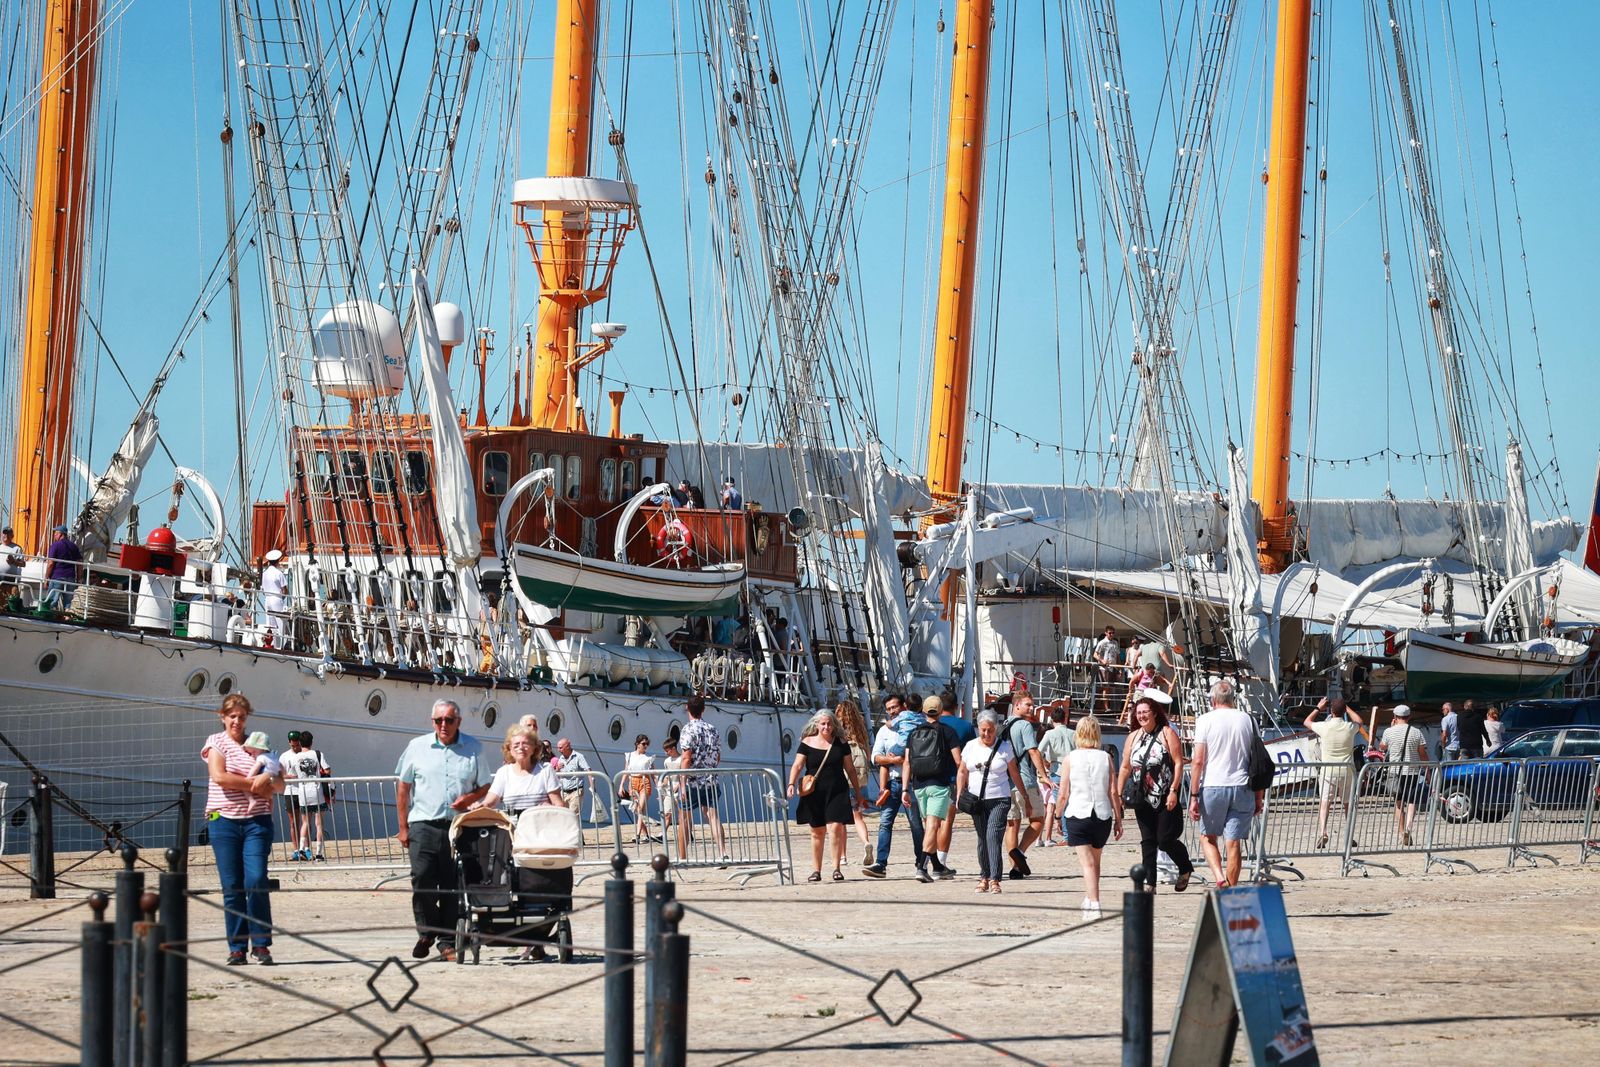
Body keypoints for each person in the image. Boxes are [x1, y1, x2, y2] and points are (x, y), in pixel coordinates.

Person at [396, 699, 492, 961]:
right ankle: (427, 931)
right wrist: (402, 827)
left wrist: (468, 798)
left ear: (458, 721)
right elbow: (403, 787)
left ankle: (446, 942)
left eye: (449, 720)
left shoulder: (474, 748)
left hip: (458, 827)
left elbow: (485, 786)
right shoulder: (417, 747)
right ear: (432, 721)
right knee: (421, 878)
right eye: (438, 720)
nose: (443, 725)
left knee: (452, 884)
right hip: (423, 824)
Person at [202, 694, 284, 965]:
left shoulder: (258, 743)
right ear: (222, 717)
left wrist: (268, 777)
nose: (237, 721)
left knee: (257, 879)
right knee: (232, 885)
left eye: (242, 717)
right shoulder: (216, 742)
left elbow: (280, 783)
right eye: (232, 716)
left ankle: (260, 944)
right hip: (223, 821)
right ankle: (237, 947)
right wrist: (256, 786)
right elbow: (219, 776)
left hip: (256, 822)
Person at [1187, 679, 1261, 890]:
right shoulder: (1248, 720)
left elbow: (1198, 761)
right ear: (1233, 699)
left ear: (1213, 700)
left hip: (1213, 785)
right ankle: (1231, 889)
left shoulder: (1205, 720)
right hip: (1242, 786)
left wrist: (1194, 796)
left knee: (1207, 837)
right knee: (1234, 842)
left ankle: (1220, 877)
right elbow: (1258, 760)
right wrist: (1259, 796)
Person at [1118, 694, 1193, 893]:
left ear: (1154, 713)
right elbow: (1125, 767)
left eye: (1145, 712)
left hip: (1165, 795)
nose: (1142, 716)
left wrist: (1174, 790)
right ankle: (1150, 883)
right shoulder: (1133, 737)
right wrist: (1118, 794)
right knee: (1148, 840)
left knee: (1165, 839)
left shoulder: (1167, 733)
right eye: (1138, 713)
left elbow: (1178, 763)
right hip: (1141, 795)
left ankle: (1185, 867)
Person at [786, 709, 866, 882]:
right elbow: (797, 765)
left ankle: (836, 868)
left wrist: (858, 792)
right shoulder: (807, 742)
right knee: (817, 831)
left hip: (837, 790)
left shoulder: (841, 743)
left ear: (834, 725)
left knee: (836, 827)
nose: (826, 727)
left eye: (829, 724)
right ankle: (816, 870)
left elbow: (850, 769)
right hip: (814, 792)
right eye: (823, 724)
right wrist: (791, 784)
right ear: (816, 724)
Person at [957, 711, 1029, 894]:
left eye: (990, 730)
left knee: (993, 836)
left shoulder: (1005, 747)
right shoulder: (970, 746)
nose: (987, 734)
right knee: (982, 838)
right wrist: (958, 794)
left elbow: (1014, 773)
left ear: (996, 728)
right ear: (978, 729)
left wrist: (1025, 796)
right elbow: (962, 771)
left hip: (1000, 799)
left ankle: (995, 879)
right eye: (983, 730)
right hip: (976, 801)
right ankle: (984, 876)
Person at [1056, 715, 1121, 913]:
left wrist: (1057, 816)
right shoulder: (1106, 757)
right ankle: (1089, 896)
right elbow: (1113, 791)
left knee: (1087, 864)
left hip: (1078, 813)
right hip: (1102, 815)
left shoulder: (1070, 758)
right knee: (1095, 862)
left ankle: (1094, 903)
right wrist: (1119, 819)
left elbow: (1063, 793)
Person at [899, 694, 963, 882]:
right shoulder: (948, 731)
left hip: (919, 786)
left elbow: (907, 763)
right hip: (939, 784)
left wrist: (905, 789)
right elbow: (958, 761)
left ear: (924, 711)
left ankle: (938, 866)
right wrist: (963, 782)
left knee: (929, 826)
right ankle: (922, 866)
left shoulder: (913, 733)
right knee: (933, 826)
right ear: (941, 710)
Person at [864, 694, 926, 878]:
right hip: (891, 783)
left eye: (894, 707)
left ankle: (921, 863)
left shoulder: (917, 725)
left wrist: (899, 759)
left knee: (916, 824)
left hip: (912, 783)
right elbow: (875, 757)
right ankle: (881, 863)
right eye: (889, 709)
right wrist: (894, 760)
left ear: (904, 706)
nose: (892, 711)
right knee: (885, 823)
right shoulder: (885, 731)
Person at [997, 693, 1049, 880]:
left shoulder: (1002, 726)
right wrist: (1044, 775)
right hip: (1025, 780)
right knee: (1038, 819)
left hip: (1006, 782)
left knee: (1012, 825)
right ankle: (1019, 852)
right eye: (1028, 704)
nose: (1032, 708)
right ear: (1017, 705)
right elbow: (1033, 751)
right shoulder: (1025, 726)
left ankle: (1015, 868)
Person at [1304, 697, 1367, 849]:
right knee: (1347, 804)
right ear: (1344, 711)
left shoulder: (1324, 727)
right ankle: (1349, 834)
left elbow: (1307, 722)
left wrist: (1318, 708)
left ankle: (1323, 832)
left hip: (1328, 770)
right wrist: (1348, 709)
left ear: (1331, 711)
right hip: (1347, 770)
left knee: (1325, 803)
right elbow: (1359, 721)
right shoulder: (1349, 727)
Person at [679, 695, 729, 859]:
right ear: (703, 709)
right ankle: (722, 853)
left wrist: (682, 783)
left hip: (692, 781)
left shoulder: (687, 729)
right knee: (713, 817)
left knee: (685, 819)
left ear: (687, 708)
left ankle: (683, 857)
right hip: (710, 779)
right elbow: (717, 757)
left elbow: (686, 758)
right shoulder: (712, 729)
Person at [472, 724, 561, 813]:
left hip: (539, 820)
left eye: (525, 743)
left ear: (534, 748)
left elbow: (558, 804)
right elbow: (490, 802)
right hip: (513, 821)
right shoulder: (503, 772)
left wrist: (550, 808)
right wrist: (480, 806)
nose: (521, 747)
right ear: (510, 749)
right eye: (516, 745)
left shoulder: (545, 770)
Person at [933, 690, 975, 873]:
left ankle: (928, 860)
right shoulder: (965, 726)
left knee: (932, 822)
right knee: (947, 821)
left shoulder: (932, 724)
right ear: (957, 707)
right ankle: (940, 863)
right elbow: (972, 754)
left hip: (931, 777)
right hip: (953, 777)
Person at [833, 699, 875, 868]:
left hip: (843, 780)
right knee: (858, 817)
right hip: (860, 781)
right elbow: (868, 755)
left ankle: (843, 857)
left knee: (841, 821)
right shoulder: (861, 732)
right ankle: (866, 842)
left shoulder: (838, 734)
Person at [1379, 704, 1429, 846]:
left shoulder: (1389, 732)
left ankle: (1401, 832)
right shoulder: (1416, 732)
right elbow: (1422, 754)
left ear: (1395, 717)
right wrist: (1428, 771)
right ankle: (1408, 828)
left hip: (1395, 771)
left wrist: (1391, 727)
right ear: (1409, 716)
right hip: (1412, 771)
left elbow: (1382, 747)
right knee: (1411, 801)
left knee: (1399, 802)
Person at [281, 729, 332, 861]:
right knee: (319, 824)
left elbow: (293, 774)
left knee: (304, 823)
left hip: (303, 793)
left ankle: (301, 849)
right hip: (317, 792)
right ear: (311, 742)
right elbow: (327, 770)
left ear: (300, 742)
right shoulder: (318, 754)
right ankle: (319, 853)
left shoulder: (295, 757)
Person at [1038, 702, 1076, 846]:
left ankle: (1067, 836)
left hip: (1057, 770)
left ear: (1052, 720)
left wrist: (1045, 763)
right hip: (1073, 770)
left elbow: (1038, 751)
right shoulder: (1073, 733)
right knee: (1072, 803)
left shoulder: (1049, 734)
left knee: (1061, 804)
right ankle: (1073, 833)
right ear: (1065, 719)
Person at [620, 734, 660, 842]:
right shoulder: (629, 756)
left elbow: (653, 774)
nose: (646, 746)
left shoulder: (648, 758)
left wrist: (659, 789)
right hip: (633, 782)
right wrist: (621, 785)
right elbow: (626, 771)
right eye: (643, 744)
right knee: (637, 810)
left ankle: (637, 835)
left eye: (647, 744)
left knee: (640, 809)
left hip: (644, 781)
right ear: (637, 744)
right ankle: (646, 835)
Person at [42, 525, 82, 612]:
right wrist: (79, 579)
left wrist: (46, 578)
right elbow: (80, 563)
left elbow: (51, 563)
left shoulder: (55, 545)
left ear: (60, 534)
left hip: (57, 577)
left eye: (56, 534)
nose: (54, 536)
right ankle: (67, 617)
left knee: (52, 601)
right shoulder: (74, 546)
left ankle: (50, 616)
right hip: (71, 578)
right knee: (68, 604)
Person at [553, 739, 594, 819]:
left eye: (560, 748)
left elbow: (588, 770)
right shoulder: (561, 758)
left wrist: (592, 786)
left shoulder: (579, 757)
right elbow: (557, 774)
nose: (559, 750)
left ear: (568, 746)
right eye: (558, 748)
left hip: (575, 792)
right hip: (563, 792)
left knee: (572, 816)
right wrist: (557, 769)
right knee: (563, 817)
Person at [260, 549, 289, 647]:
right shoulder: (279, 573)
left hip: (267, 599)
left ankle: (273, 644)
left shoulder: (264, 573)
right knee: (280, 623)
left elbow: (263, 588)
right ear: (278, 561)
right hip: (276, 599)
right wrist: (283, 596)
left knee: (271, 625)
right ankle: (283, 645)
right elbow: (285, 590)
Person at [1092, 626, 1121, 714]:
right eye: (1110, 633)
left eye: (1113, 633)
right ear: (1106, 633)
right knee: (1105, 687)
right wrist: (1102, 660)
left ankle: (1104, 706)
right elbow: (1095, 654)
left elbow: (1117, 656)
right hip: (1104, 668)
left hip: (1113, 668)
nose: (1111, 634)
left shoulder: (1115, 643)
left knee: (1109, 688)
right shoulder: (1102, 642)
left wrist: (1119, 669)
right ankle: (1106, 707)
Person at [0, 525, 23, 606]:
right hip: (0, 580)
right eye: (4, 533)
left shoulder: (17, 548)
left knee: (13, 602)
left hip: (11, 581)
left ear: (12, 536)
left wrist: (13, 561)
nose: (5, 535)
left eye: (8, 533)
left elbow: (23, 564)